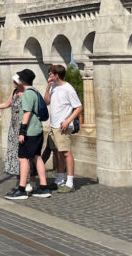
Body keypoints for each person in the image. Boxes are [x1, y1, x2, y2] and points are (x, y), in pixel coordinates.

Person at [4, 69, 51, 200]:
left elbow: (27, 113)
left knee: (23, 158)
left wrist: (22, 132)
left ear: (22, 80)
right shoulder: (34, 91)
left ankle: (22, 189)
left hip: (30, 131)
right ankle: (43, 187)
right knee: (37, 157)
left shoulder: (27, 94)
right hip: (37, 130)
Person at [43, 64, 83, 193]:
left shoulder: (68, 89)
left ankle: (70, 182)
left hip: (63, 126)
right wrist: (48, 87)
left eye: (51, 74)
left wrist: (68, 121)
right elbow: (46, 102)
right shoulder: (53, 86)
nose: (49, 75)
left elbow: (78, 107)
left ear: (57, 75)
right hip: (53, 125)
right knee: (58, 153)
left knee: (66, 152)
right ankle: (59, 179)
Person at [0, 82, 24, 176]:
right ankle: (15, 168)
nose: (13, 83)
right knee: (13, 146)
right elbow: (6, 104)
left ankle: (24, 171)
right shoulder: (15, 92)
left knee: (21, 148)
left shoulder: (27, 93)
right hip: (13, 124)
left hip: (22, 124)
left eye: (15, 81)